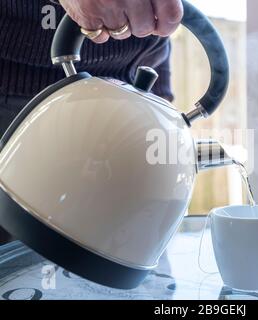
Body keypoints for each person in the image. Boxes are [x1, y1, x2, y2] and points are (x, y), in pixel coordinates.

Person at [0, 0, 184, 244]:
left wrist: (160, 101)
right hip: (17, 85)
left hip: (139, 84)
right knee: (17, 270)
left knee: (134, 259)